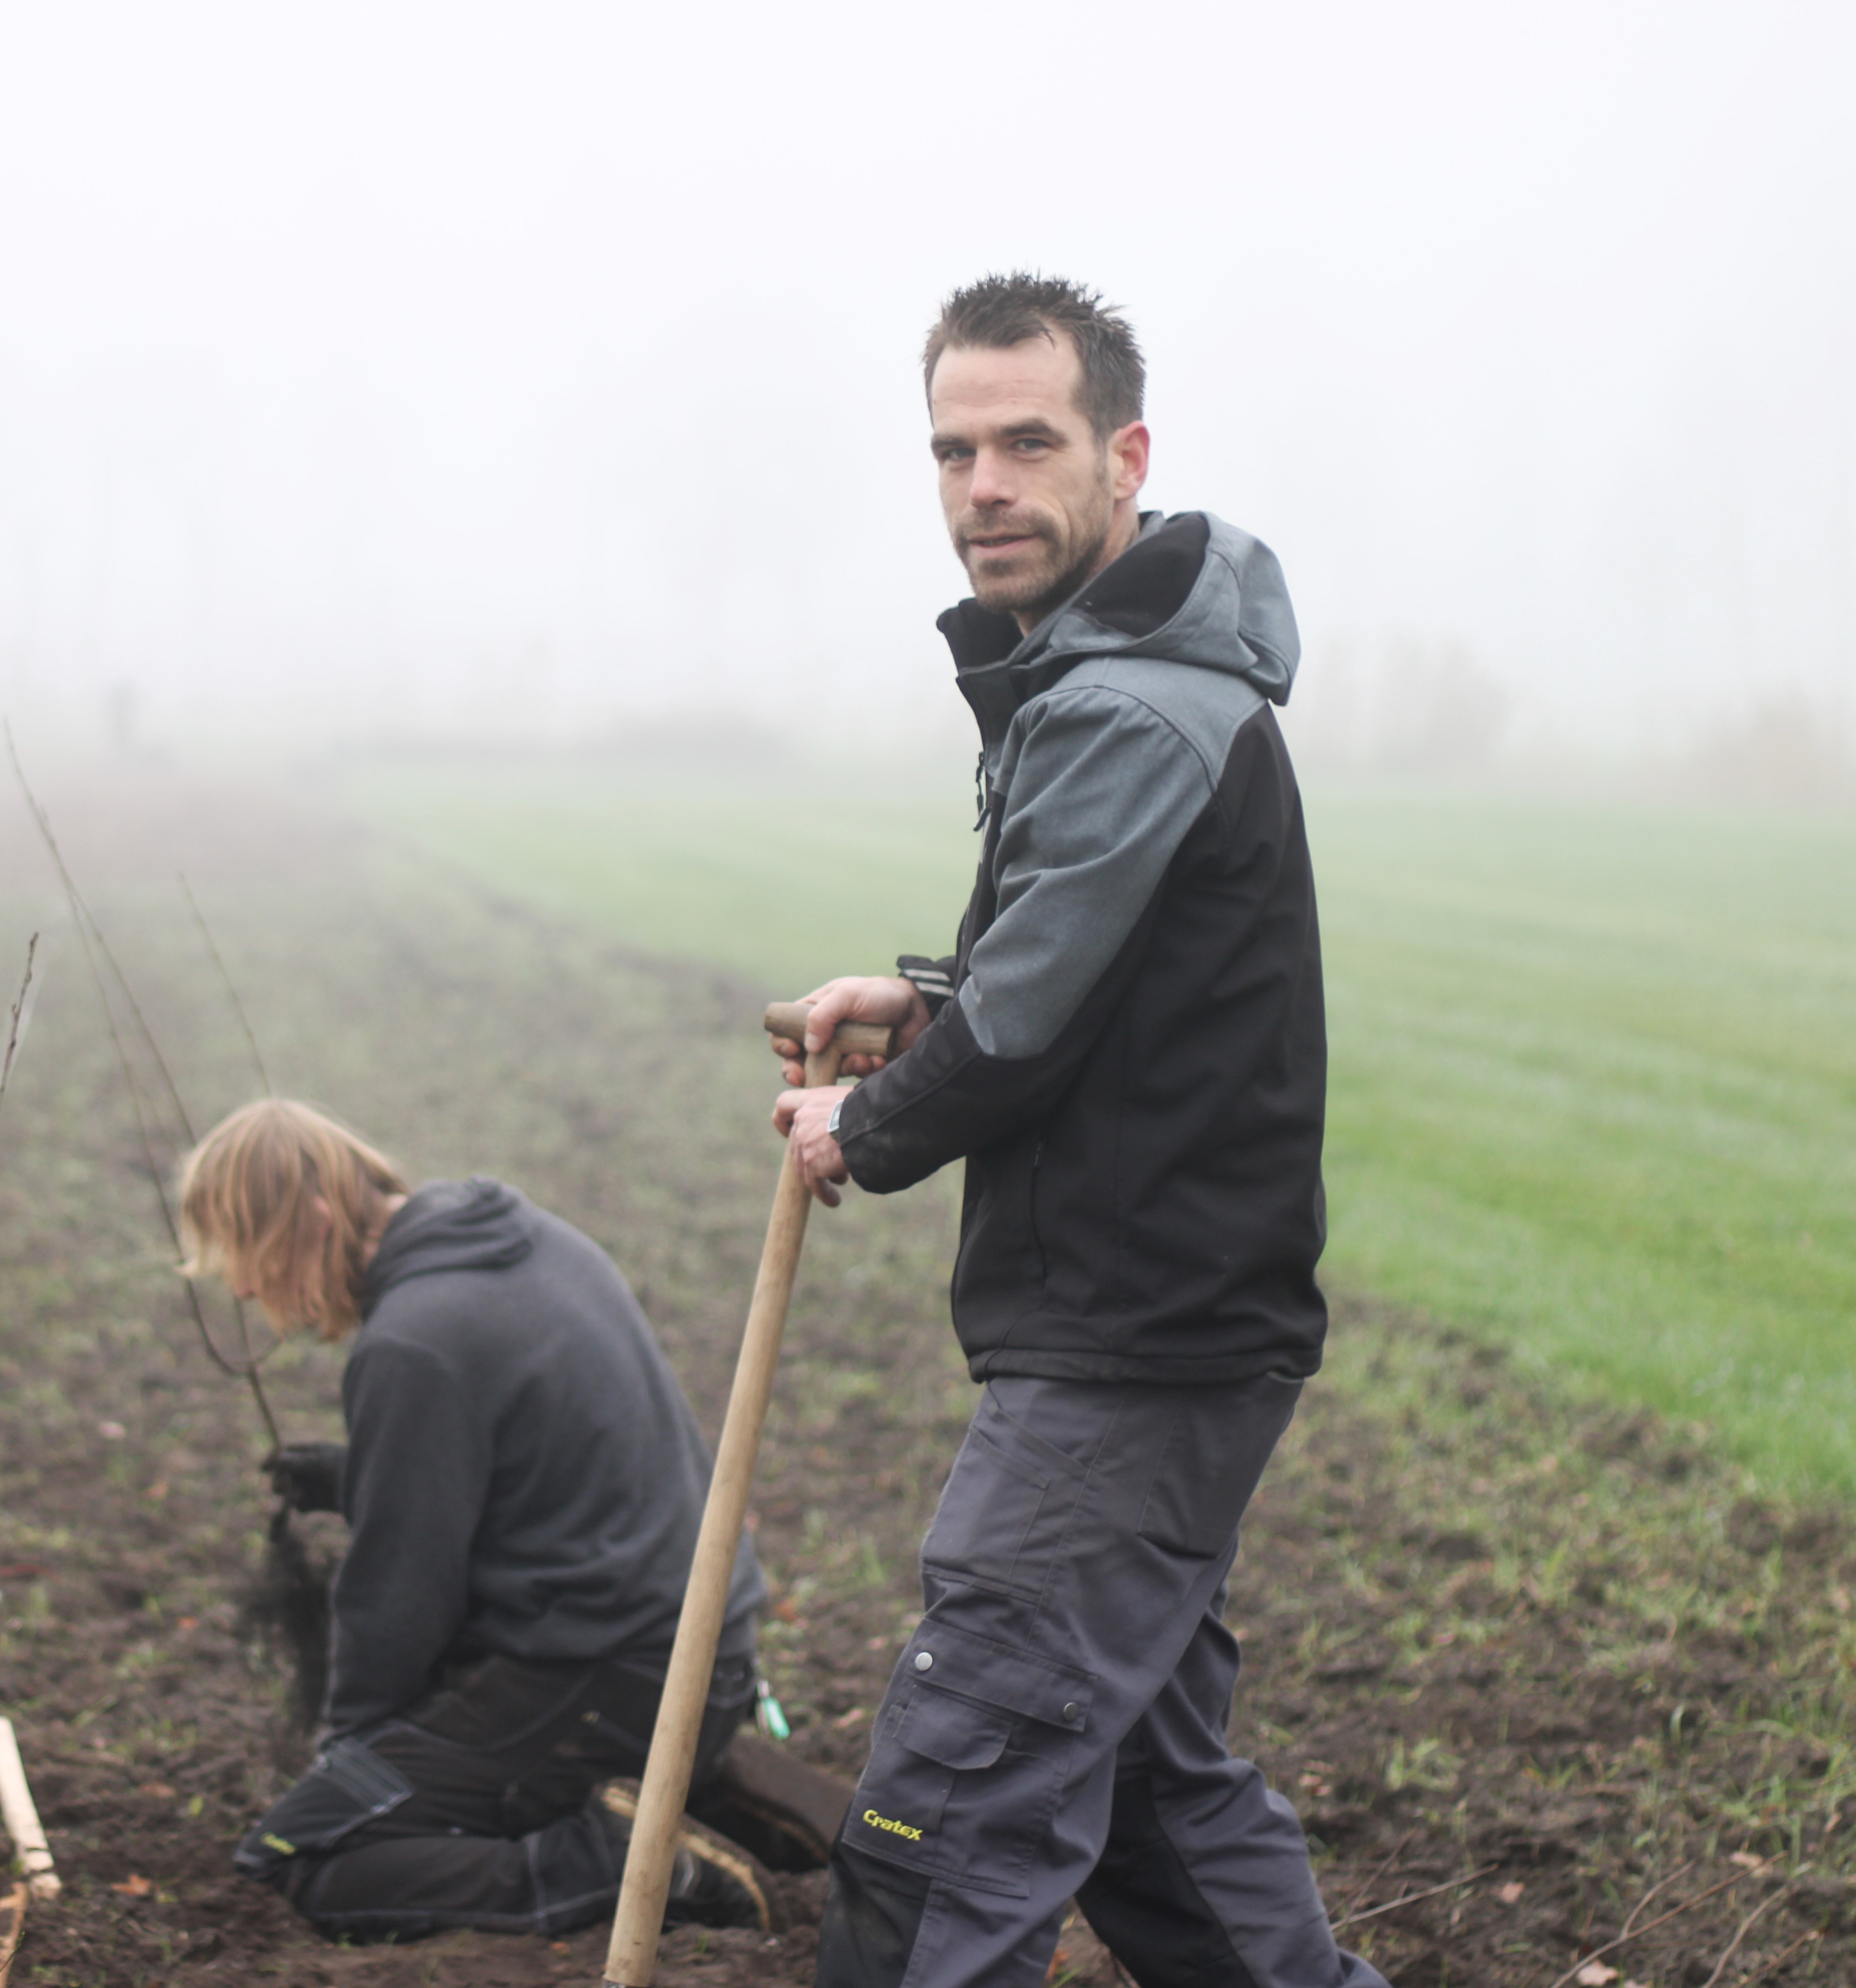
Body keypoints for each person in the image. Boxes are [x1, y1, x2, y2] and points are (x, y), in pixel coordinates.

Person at [766, 275, 1386, 1986]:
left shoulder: (1123, 705)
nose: (985, 485)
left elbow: (1027, 1026)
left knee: (946, 1815)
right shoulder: (1128, 678)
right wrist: (922, 1002)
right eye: (955, 449)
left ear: (1123, 456)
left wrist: (864, 1125)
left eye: (1027, 443)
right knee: (1154, 1808)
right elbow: (1068, 964)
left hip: (1129, 1344)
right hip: (1175, 1326)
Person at [185, 1099, 786, 1941]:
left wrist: (355, 1765)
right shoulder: (533, 1237)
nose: (246, 1289)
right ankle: (702, 1802)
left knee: (303, 1858)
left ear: (312, 1220)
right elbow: (532, 1464)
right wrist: (359, 1477)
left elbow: (398, 1599)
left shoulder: (412, 1344)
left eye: (246, 1259)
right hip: (706, 1656)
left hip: (609, 1678)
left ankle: (632, 1869)